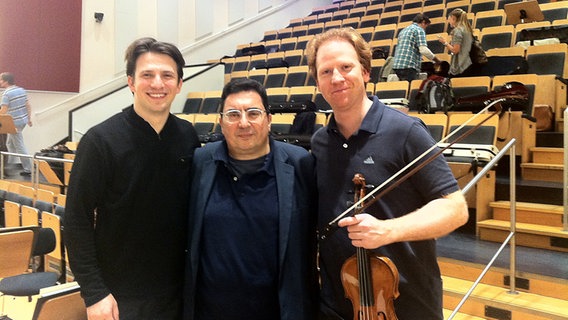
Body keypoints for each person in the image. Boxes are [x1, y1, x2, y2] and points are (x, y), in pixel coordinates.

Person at [306, 28, 469, 320]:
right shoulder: (319, 142)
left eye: (346, 67)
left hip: (403, 304)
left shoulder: (406, 131)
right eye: (326, 71)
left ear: (366, 72)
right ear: (318, 82)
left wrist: (389, 230)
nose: (337, 78)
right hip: (338, 304)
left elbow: (455, 209)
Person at [64, 37, 200, 320]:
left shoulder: (188, 136)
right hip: (119, 296)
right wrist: (94, 292)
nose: (157, 84)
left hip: (178, 291)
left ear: (179, 84)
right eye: (147, 75)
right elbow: (77, 219)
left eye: (167, 75)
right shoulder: (100, 141)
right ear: (131, 82)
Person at [184, 78, 318, 320]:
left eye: (253, 113)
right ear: (221, 122)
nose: (243, 123)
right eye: (233, 114)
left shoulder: (300, 163)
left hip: (277, 310)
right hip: (211, 311)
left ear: (268, 120)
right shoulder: (200, 161)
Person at [0, 72, 33, 176]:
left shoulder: (6, 94)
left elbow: (3, 110)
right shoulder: (21, 90)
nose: (0, 82)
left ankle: (28, 169)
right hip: (22, 121)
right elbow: (27, 105)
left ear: (6, 81)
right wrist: (29, 118)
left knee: (19, 145)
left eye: (1, 79)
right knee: (10, 143)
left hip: (14, 123)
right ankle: (9, 165)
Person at [392, 14, 441, 81]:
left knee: (405, 87)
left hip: (397, 65)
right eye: (426, 26)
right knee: (410, 87)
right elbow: (423, 50)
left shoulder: (403, 31)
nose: (425, 29)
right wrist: (437, 60)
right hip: (409, 66)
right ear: (423, 22)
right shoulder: (419, 30)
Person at [438, 8, 476, 77]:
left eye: (450, 19)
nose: (449, 21)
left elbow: (455, 50)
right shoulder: (467, 29)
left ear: (454, 18)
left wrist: (445, 43)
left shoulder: (457, 31)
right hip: (469, 64)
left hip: (460, 66)